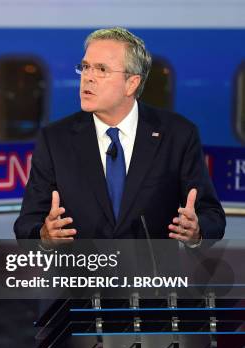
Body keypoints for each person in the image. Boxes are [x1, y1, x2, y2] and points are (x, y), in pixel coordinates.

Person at [14, 27, 225, 244]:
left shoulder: (178, 135)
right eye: (85, 67)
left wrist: (196, 232)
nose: (88, 78)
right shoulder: (55, 139)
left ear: (131, 83)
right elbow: (26, 223)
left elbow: (212, 216)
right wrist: (44, 235)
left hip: (151, 276)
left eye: (101, 69)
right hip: (79, 276)